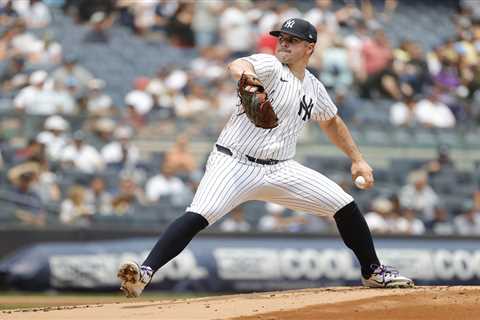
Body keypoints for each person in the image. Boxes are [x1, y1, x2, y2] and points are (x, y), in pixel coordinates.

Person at [117, 18, 414, 298]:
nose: (283, 43)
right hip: (234, 163)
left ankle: (372, 271)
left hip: (281, 169)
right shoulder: (271, 65)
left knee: (345, 206)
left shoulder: (313, 86)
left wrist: (357, 159)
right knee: (199, 214)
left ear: (309, 48)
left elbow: (331, 121)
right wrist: (251, 84)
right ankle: (144, 273)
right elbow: (238, 64)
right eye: (281, 38)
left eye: (292, 40)